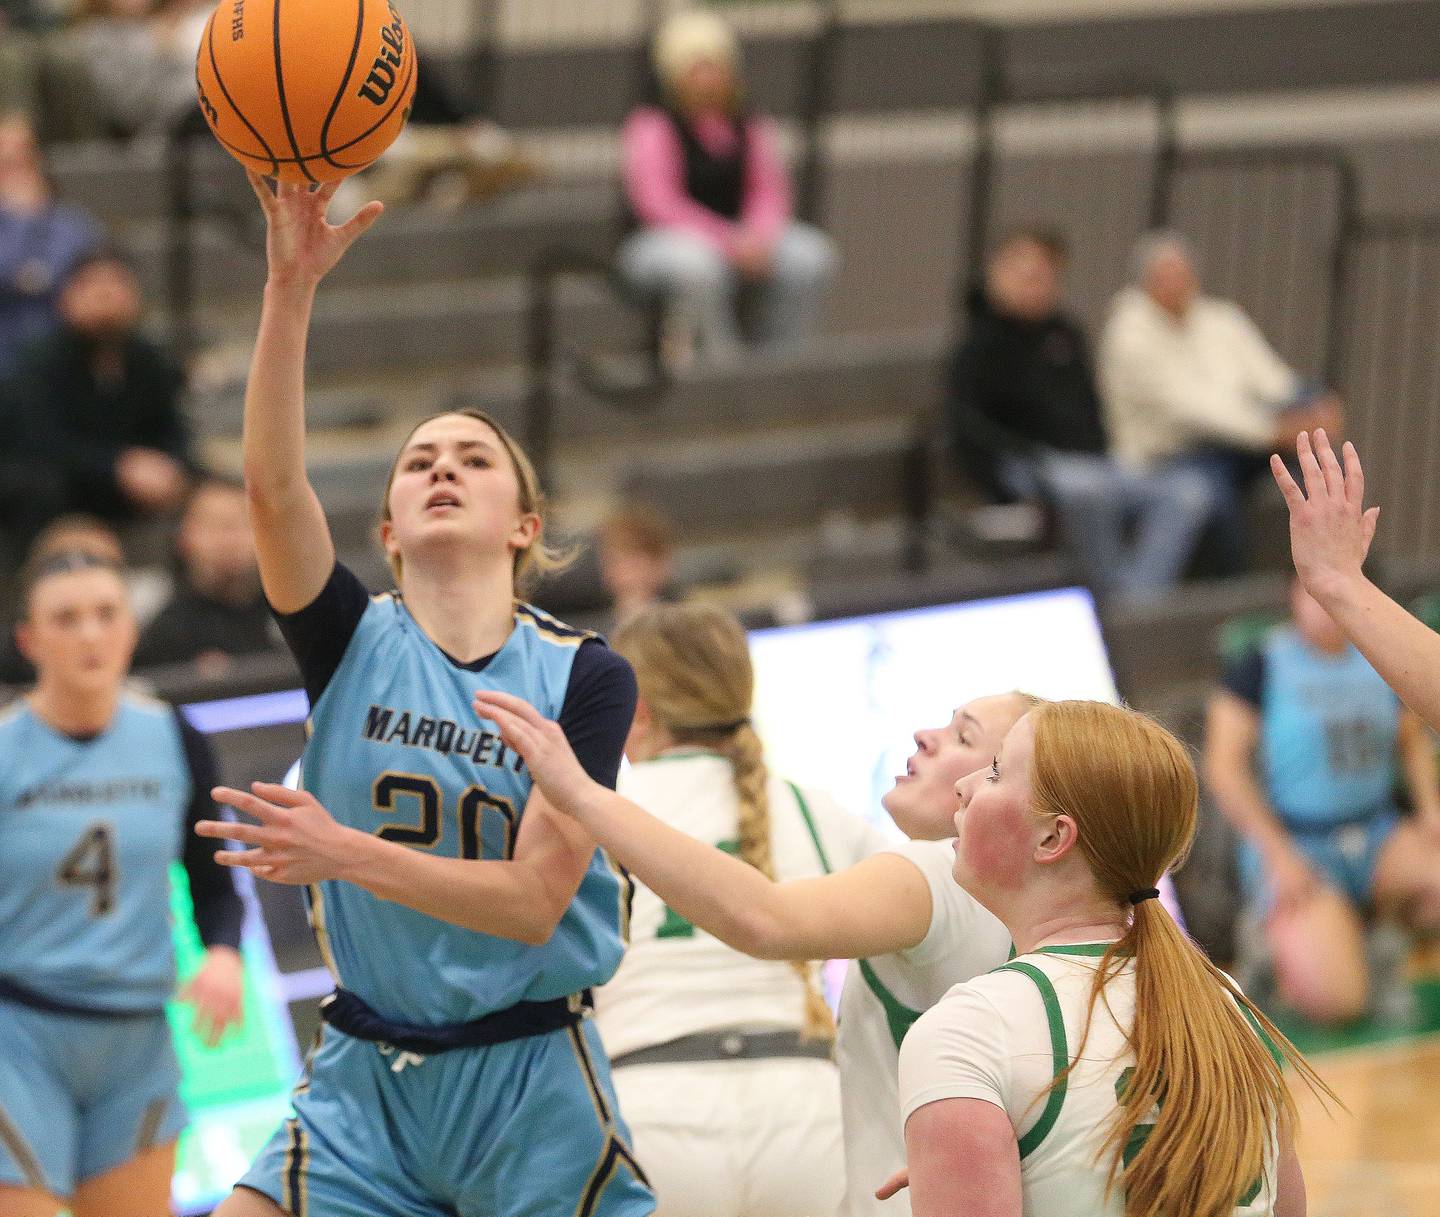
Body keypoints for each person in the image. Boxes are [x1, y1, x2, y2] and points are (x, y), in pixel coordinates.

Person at [191, 174, 652, 1217]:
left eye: (474, 459)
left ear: (524, 523)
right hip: (366, 1075)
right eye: (418, 463)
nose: (442, 469)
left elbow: (538, 899)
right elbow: (271, 486)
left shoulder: (587, 675)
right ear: (389, 530)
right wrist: (288, 289)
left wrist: (342, 851)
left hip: (527, 1081)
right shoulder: (351, 636)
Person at [475, 684, 1031, 1217]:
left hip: (654, 1100)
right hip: (806, 1121)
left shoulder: (937, 874)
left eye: (965, 739)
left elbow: (766, 918)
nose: (924, 736)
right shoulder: (1019, 904)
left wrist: (580, 793)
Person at [891, 700, 1329, 1217]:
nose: (963, 786)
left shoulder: (970, 1031)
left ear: (1053, 837)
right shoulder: (1227, 1005)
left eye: (992, 772)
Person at [592, 602, 880, 1217]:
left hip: (649, 1107)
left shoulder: (595, 811)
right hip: (807, 1107)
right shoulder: (811, 808)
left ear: (635, 707)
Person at [0, 548, 245, 1217]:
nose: (89, 633)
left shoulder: (173, 735)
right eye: (67, 617)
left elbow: (214, 880)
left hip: (136, 1038)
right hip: (19, 1031)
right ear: (30, 640)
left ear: (130, 628)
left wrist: (223, 953)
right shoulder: (4, 748)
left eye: (106, 613)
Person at [1205, 575, 1440, 1025]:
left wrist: (1430, 811)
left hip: (1375, 830)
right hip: (1298, 841)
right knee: (1337, 1003)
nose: (1322, 607)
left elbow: (1413, 741)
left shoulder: (1381, 657)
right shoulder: (1262, 665)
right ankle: (1278, 947)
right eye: (1310, 595)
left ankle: (1374, 930)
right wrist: (1277, 856)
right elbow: (1223, 768)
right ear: (1294, 599)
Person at [949, 229, 1213, 599]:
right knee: (1086, 488)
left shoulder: (1066, 335)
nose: (1035, 287)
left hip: (1097, 461)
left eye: (1043, 277)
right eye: (1024, 277)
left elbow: (1094, 408)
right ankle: (1110, 598)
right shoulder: (977, 347)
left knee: (1190, 491)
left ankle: (1136, 599)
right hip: (1033, 466)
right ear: (997, 279)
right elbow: (972, 427)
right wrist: (1026, 464)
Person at [1099, 231, 1343, 573]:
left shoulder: (1220, 318)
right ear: (1147, 283)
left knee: (1313, 443)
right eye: (1165, 277)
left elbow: (1274, 381)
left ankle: (1337, 559)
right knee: (1211, 490)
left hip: (1238, 440)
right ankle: (1232, 583)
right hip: (1169, 457)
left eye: (1182, 275)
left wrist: (1314, 410)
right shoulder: (1129, 335)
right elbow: (1194, 410)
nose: (1176, 285)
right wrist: (1274, 430)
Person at [618, 9, 837, 362]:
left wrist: (759, 236)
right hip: (661, 243)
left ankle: (783, 361)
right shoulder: (652, 125)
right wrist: (728, 241)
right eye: (697, 67)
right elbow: (658, 203)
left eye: (715, 66)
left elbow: (768, 190)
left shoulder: (748, 123)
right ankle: (722, 365)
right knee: (697, 266)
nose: (708, 78)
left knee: (810, 255)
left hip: (742, 238)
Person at [4, 249, 191, 526]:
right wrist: (118, 465)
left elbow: (170, 428)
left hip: (126, 484)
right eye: (91, 285)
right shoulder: (37, 361)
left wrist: (167, 464)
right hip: (55, 482)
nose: (105, 295)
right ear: (66, 297)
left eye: (117, 284)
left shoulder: (148, 360)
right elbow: (40, 440)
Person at [1274, 429, 1440, 737]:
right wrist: (1339, 581)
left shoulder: (1380, 661)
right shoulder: (1267, 660)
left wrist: (1341, 581)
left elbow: (1411, 744)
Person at [134, 476, 281, 675]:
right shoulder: (162, 631)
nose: (230, 539)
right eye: (214, 525)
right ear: (183, 538)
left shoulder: (291, 615)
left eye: (243, 523)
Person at [598, 503, 682, 633]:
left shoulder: (685, 627)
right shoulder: (591, 638)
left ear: (663, 564)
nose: (632, 571)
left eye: (640, 561)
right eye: (620, 560)